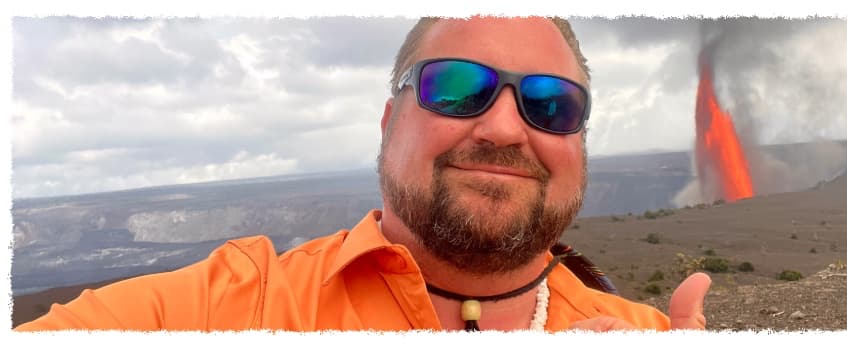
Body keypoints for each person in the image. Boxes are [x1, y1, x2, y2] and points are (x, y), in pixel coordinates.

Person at [16, 16, 711, 332]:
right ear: (389, 124)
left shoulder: (642, 333)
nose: (504, 128)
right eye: (457, 87)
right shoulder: (224, 312)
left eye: (552, 105)